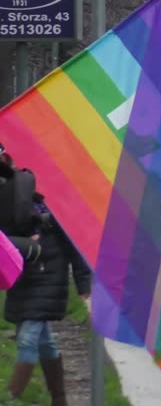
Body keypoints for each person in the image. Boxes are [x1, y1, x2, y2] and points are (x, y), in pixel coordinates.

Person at [1, 160, 90, 406]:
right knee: (44, 342)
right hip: (23, 279)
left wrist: (84, 284)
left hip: (48, 279)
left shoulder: (58, 211)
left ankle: (11, 397)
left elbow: (76, 247)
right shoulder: (12, 202)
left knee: (28, 338)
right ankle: (59, 399)